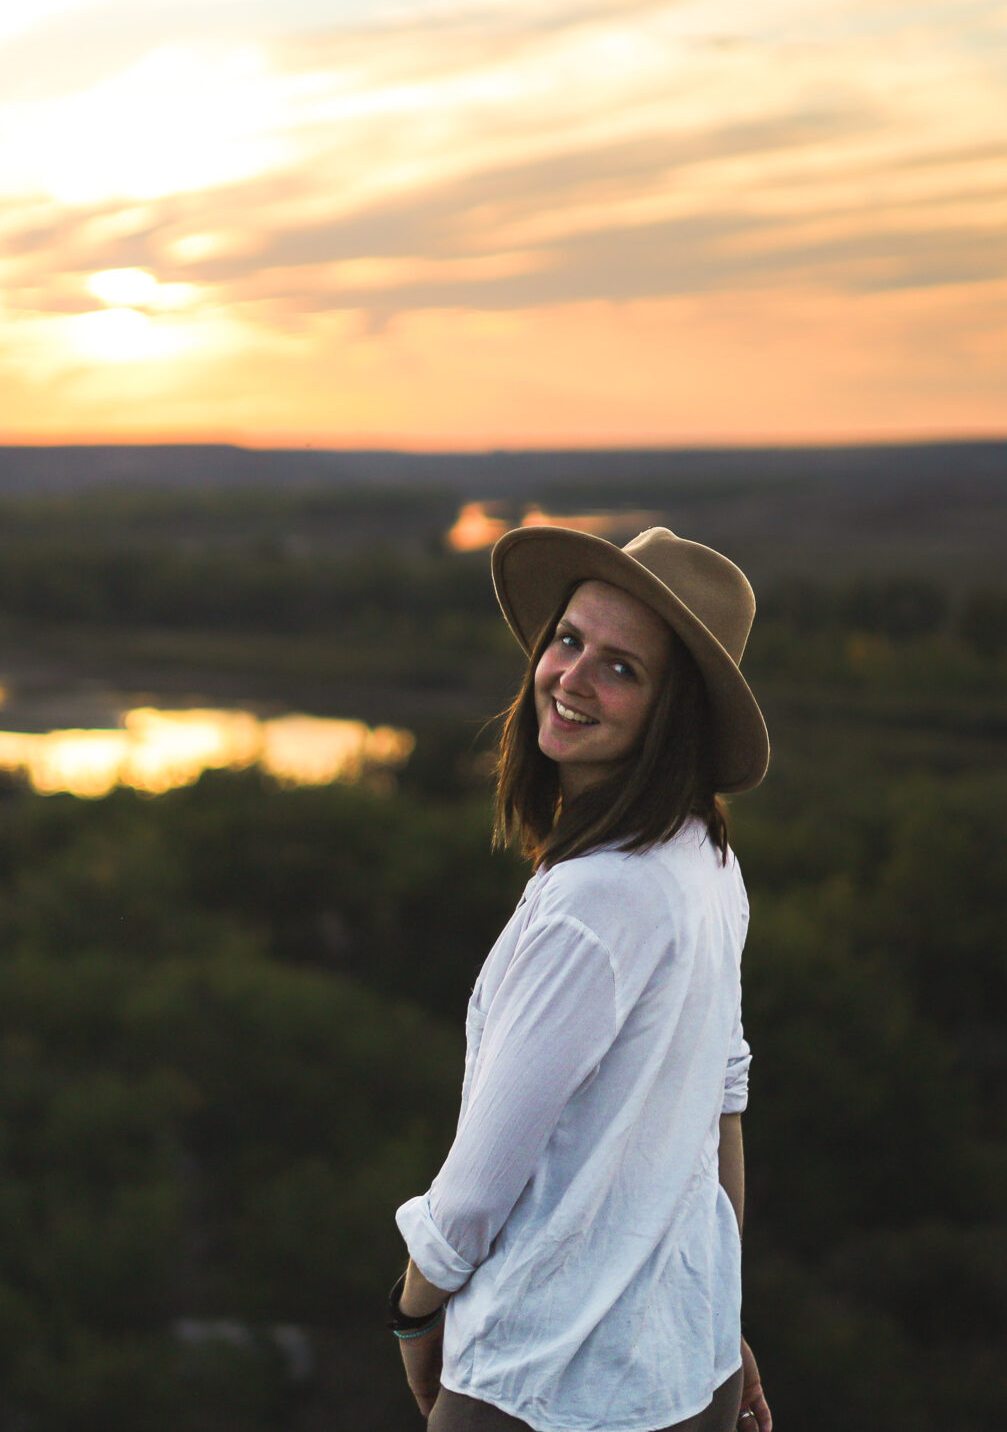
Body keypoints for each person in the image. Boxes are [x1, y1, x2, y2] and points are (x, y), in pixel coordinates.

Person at [391, 526, 775, 1432]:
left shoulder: (594, 902)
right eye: (568, 640)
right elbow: (717, 1111)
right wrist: (716, 1312)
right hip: (687, 1377)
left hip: (543, 1382)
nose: (570, 677)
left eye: (621, 668)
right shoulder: (706, 860)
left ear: (671, 711)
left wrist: (413, 1314)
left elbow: (479, 1185)